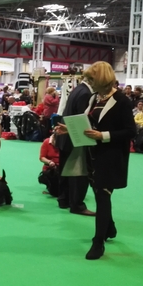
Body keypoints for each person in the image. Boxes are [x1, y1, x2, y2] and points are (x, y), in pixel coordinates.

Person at [54, 61, 136, 260]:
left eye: (91, 78)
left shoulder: (122, 101)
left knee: (102, 196)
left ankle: (98, 243)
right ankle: (110, 228)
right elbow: (86, 123)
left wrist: (103, 136)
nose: (87, 81)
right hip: (90, 155)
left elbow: (130, 131)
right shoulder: (93, 98)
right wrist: (69, 130)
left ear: (102, 79)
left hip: (110, 157)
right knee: (99, 193)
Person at [56, 77, 96, 216]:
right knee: (79, 173)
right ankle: (77, 205)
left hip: (66, 136)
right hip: (75, 137)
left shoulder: (77, 90)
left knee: (65, 171)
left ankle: (64, 200)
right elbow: (81, 119)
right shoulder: (85, 93)